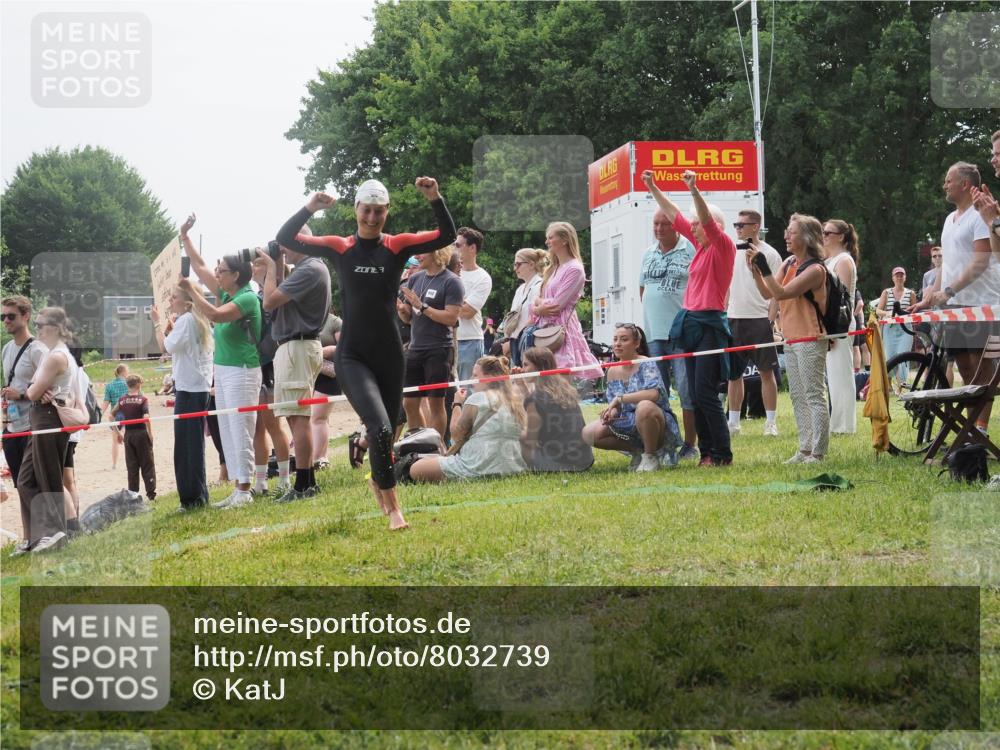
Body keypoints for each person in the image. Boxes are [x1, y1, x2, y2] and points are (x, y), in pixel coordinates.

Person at [276, 176, 456, 531]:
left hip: (390, 355)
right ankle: (394, 509)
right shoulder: (340, 247)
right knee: (379, 427)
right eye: (366, 210)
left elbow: (445, 235)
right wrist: (310, 207)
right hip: (352, 356)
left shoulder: (397, 245)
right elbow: (286, 238)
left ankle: (379, 477)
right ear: (356, 209)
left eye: (379, 211)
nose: (372, 218)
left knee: (387, 431)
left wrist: (435, 198)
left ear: (387, 211)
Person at [641, 169, 736, 467]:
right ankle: (706, 452)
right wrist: (652, 186)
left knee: (705, 392)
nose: (691, 229)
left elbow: (704, 220)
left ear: (712, 226)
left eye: (697, 226)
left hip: (709, 324)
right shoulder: (700, 248)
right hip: (690, 323)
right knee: (695, 392)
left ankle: (721, 454)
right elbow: (674, 215)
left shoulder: (722, 246)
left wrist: (694, 190)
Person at [179, 214, 263, 510]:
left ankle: (245, 489)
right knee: (227, 428)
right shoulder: (229, 292)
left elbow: (215, 315)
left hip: (243, 369)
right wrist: (185, 237)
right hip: (225, 369)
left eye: (222, 270)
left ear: (236, 275)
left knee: (241, 427)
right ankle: (239, 486)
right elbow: (200, 267)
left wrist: (191, 291)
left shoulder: (247, 298)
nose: (216, 273)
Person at [914, 162, 1000, 432]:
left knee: (981, 364)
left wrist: (948, 291)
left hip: (982, 303)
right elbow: (946, 265)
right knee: (963, 365)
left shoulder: (980, 216)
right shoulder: (949, 219)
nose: (944, 185)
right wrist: (931, 294)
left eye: (949, 180)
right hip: (954, 306)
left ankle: (979, 429)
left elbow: (981, 262)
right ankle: (971, 429)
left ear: (965, 184)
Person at [256, 229, 332, 504]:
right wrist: (276, 264)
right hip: (296, 346)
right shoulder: (309, 268)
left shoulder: (309, 268)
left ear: (302, 241)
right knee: (294, 416)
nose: (284, 248)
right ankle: (306, 481)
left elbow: (269, 301)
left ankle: (303, 485)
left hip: (297, 347)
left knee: (298, 418)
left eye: (287, 243)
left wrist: (270, 268)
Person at [749, 214, 830, 464]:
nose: (786, 236)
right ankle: (804, 448)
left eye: (792, 232)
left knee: (813, 394)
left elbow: (783, 293)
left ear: (807, 238)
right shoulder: (789, 262)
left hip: (810, 337)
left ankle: (818, 452)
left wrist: (764, 267)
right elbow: (769, 294)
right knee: (797, 395)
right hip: (791, 338)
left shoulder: (815, 269)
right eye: (787, 231)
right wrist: (756, 271)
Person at [15, 307, 79, 554]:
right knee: (25, 480)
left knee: (49, 478)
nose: (37, 329)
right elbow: (34, 389)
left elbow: (32, 392)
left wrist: (34, 388)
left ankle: (55, 532)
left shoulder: (57, 356)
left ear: (54, 327)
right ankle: (44, 532)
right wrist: (35, 388)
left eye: (40, 325)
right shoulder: (53, 354)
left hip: (49, 418)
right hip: (41, 417)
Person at [407, 356, 527, 482]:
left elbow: (456, 434)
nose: (471, 379)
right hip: (513, 467)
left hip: (477, 466)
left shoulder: (477, 398)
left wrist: (457, 404)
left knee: (415, 468)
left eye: (475, 375)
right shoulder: (515, 401)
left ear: (490, 378)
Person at [638, 211, 699, 458]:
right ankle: (665, 443)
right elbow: (642, 289)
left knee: (686, 390)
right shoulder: (648, 253)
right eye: (656, 223)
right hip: (653, 333)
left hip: (681, 332)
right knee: (657, 393)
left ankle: (690, 444)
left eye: (665, 224)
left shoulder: (689, 249)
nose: (659, 228)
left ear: (677, 227)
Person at [582, 323, 681, 471]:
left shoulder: (646, 362)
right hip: (628, 421)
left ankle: (650, 456)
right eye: (615, 339)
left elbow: (653, 394)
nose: (617, 344)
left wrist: (621, 398)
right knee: (588, 433)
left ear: (636, 343)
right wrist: (612, 412)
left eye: (624, 339)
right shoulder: (611, 370)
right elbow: (616, 405)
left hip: (655, 420)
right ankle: (639, 452)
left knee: (644, 406)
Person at [151, 281, 214, 510]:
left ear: (187, 302)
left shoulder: (186, 320)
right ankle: (198, 494)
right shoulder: (196, 319)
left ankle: (191, 498)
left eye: (174, 297)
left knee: (186, 447)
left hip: (189, 390)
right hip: (198, 388)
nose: (170, 301)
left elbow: (165, 347)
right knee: (194, 445)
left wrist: (157, 323)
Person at [726, 209, 782, 438]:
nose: (738, 229)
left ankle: (770, 423)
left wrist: (771, 319)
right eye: (736, 225)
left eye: (742, 225)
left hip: (759, 318)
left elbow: (777, 292)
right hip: (733, 318)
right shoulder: (731, 251)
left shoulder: (770, 253)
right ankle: (733, 423)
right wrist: (723, 313)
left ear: (755, 226)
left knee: (766, 372)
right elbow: (727, 286)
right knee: (734, 375)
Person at [397, 245, 463, 439]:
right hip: (415, 348)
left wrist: (422, 306)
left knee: (435, 403)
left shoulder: (452, 281)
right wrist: (402, 310)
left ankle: (436, 447)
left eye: (422, 251)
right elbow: (409, 319)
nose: (417, 256)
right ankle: (419, 443)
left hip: (439, 349)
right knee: (409, 403)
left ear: (437, 253)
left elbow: (451, 318)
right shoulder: (415, 279)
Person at [525, 222, 602, 379]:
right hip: (545, 330)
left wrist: (537, 306)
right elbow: (539, 300)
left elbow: (556, 305)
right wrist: (538, 307)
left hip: (560, 332)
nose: (547, 242)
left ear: (565, 240)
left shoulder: (574, 269)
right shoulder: (554, 268)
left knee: (559, 379)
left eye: (551, 237)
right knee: (544, 380)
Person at [248, 256, 291, 498]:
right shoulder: (255, 295)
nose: (253, 267)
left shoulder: (274, 295)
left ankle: (284, 479)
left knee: (274, 424)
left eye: (258, 263)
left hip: (271, 364)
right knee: (257, 427)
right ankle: (261, 481)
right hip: (256, 364)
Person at [2, 296, 48, 495]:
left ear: (26, 316)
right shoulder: (6, 349)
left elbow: (50, 390)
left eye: (11, 316)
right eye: (3, 317)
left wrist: (20, 395)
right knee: (21, 488)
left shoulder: (38, 350)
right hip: (11, 427)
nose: (6, 321)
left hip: (33, 427)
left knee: (32, 485)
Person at [520, 347, 593, 472]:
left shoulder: (535, 399)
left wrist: (515, 432)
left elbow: (530, 440)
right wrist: (521, 385)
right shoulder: (566, 390)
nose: (522, 370)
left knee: (518, 438)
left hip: (560, 463)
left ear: (539, 367)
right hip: (584, 460)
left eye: (526, 365)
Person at [822, 219, 860, 434]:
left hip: (840, 323)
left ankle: (844, 425)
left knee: (841, 375)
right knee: (833, 376)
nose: (823, 236)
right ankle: (836, 422)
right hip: (830, 324)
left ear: (841, 237)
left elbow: (842, 300)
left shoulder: (844, 260)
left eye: (828, 232)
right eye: (823, 232)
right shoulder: (830, 260)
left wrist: (834, 329)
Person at [454, 227, 492, 383]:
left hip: (469, 341)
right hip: (446, 340)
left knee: (468, 391)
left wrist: (444, 303)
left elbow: (467, 312)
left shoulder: (483, 278)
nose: (453, 248)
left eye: (458, 245)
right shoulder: (447, 272)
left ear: (472, 248)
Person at [116, 375, 156, 501]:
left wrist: (118, 432)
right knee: (147, 464)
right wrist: (150, 433)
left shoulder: (122, 400)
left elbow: (111, 416)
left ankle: (133, 495)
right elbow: (146, 417)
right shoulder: (143, 399)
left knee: (132, 466)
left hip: (128, 435)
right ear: (138, 385)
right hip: (141, 433)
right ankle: (151, 494)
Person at [876, 267, 916, 393]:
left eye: (901, 275)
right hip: (890, 328)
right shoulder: (886, 292)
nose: (899, 277)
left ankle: (902, 386)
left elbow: (914, 311)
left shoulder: (911, 293)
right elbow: (878, 310)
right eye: (897, 275)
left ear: (905, 277)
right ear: (893, 278)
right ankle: (888, 385)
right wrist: (887, 313)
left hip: (906, 328)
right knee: (890, 356)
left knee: (903, 355)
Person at [503, 248, 546, 366]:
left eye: (518, 264)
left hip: (529, 341)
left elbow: (534, 318)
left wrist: (514, 338)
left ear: (531, 265)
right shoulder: (520, 289)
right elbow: (513, 318)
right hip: (516, 340)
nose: (515, 268)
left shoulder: (540, 286)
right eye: (514, 264)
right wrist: (509, 339)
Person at [311, 309, 343, 470]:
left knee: (318, 418)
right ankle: (320, 457)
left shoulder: (334, 322)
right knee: (318, 418)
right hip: (310, 376)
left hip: (329, 377)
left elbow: (345, 348)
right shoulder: (305, 319)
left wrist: (326, 351)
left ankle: (319, 459)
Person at [102, 363, 129, 470]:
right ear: (124, 372)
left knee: (115, 442)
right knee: (128, 440)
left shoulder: (109, 385)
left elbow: (106, 402)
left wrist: (99, 414)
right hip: (128, 414)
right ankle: (128, 464)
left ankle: (114, 465)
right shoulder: (128, 383)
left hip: (115, 415)